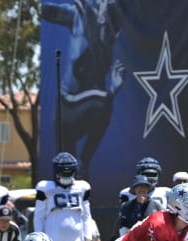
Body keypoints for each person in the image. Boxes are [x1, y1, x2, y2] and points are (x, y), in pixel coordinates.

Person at [41, 0, 125, 178]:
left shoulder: (108, 37)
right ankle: (81, 164)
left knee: (104, 101)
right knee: (104, 100)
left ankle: (84, 162)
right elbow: (47, 11)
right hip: (69, 103)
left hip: (86, 106)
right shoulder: (79, 15)